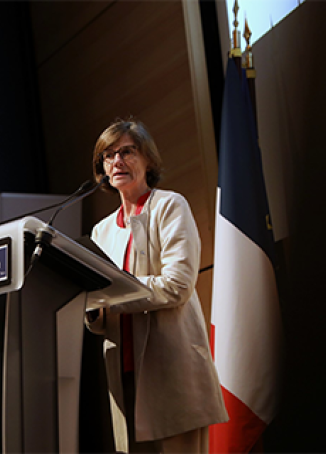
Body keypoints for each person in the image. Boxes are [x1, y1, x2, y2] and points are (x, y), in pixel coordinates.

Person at [85, 119, 228, 453]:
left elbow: (177, 284)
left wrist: (112, 295)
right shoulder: (101, 232)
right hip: (123, 375)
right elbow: (100, 306)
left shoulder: (169, 206)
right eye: (107, 156)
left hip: (171, 371)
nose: (116, 161)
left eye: (126, 151)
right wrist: (91, 310)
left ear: (147, 159)